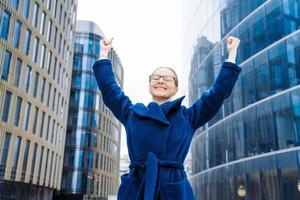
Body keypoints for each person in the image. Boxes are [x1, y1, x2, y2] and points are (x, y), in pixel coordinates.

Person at [93, 36, 241, 200]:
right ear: (150, 85)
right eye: (155, 78)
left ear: (176, 88)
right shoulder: (132, 113)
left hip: (173, 189)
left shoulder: (188, 117)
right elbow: (110, 90)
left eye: (167, 78)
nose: (160, 81)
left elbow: (216, 94)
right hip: (137, 188)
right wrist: (103, 53)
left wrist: (232, 54)